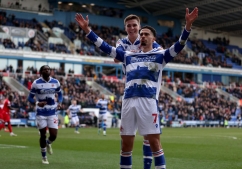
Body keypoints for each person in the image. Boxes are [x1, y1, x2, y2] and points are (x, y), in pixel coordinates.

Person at [75, 7, 198, 169]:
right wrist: (87, 30)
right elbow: (104, 46)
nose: (143, 36)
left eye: (146, 34)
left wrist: (187, 26)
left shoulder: (161, 55)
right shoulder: (127, 55)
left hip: (148, 100)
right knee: (125, 146)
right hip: (128, 101)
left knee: (154, 142)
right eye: (142, 34)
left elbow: (180, 44)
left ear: (154, 38)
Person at [115, 14, 162, 169]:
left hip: (148, 84)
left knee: (149, 136)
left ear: (139, 26)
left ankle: (147, 166)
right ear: (125, 28)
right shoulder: (121, 42)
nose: (132, 28)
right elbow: (116, 58)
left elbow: (160, 52)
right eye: (129, 25)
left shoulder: (147, 38)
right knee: (127, 138)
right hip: (131, 85)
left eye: (135, 25)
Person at [27, 65, 63, 164]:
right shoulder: (36, 83)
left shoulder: (55, 82)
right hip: (41, 112)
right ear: (41, 72)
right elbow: (30, 98)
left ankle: (48, 143)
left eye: (48, 69)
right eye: (45, 69)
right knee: (42, 134)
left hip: (52, 111)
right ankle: (44, 157)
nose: (47, 70)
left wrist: (59, 102)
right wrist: (38, 103)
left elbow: (60, 94)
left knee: (54, 135)